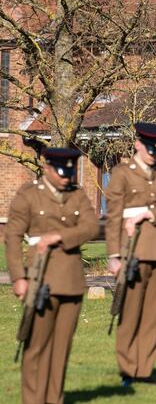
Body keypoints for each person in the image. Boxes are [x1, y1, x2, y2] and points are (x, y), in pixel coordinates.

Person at [6, 148, 99, 404]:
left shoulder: (77, 195)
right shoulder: (29, 195)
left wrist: (61, 236)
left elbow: (91, 227)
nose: (66, 177)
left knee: (61, 349)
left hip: (71, 281)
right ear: (47, 167)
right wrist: (18, 278)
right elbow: (13, 237)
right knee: (36, 346)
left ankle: (54, 399)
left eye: (70, 171)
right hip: (40, 279)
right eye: (61, 171)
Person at [106, 122, 156, 386]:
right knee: (130, 313)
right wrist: (114, 255)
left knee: (152, 316)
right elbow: (114, 216)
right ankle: (128, 369)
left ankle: (144, 369)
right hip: (132, 251)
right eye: (150, 149)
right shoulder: (122, 174)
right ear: (138, 144)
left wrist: (149, 213)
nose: (153, 154)